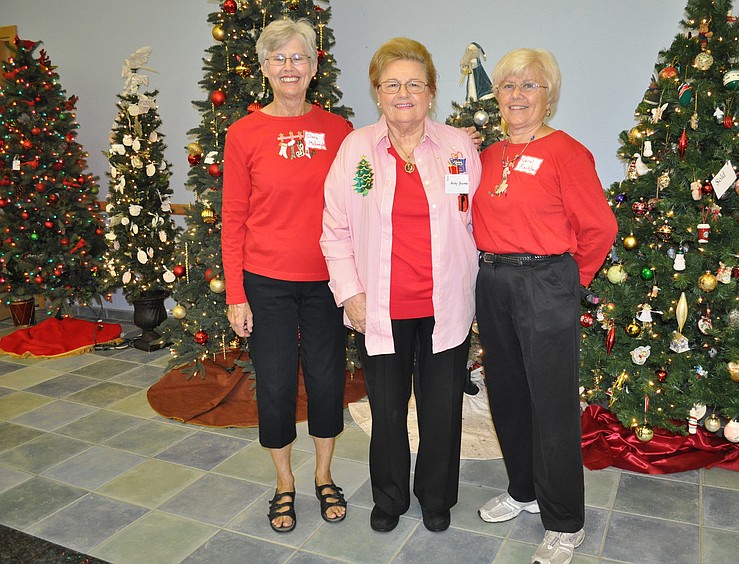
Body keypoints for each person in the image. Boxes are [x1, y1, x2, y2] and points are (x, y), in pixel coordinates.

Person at [321, 37, 481, 534]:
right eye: (392, 84)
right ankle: (389, 496)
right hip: (380, 307)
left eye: (414, 83)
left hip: (444, 304)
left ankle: (436, 498)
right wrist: (350, 294)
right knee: (387, 412)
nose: (403, 93)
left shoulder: (457, 146)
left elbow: (479, 221)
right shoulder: (356, 149)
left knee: (441, 411)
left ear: (431, 92)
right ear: (377, 93)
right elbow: (335, 227)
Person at [472, 48, 617, 564]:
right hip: (491, 280)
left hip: (545, 281)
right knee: (506, 392)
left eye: (529, 86)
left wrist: (566, 282)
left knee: (551, 402)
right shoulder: (488, 154)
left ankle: (565, 520)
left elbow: (600, 227)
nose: (516, 95)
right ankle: (522, 489)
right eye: (509, 86)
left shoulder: (566, 152)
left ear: (548, 95)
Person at [222, 18, 352, 533]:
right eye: (279, 58)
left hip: (327, 282)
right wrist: (237, 293)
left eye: (299, 57)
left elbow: (360, 200)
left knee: (326, 381)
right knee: (275, 386)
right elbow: (233, 219)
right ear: (264, 67)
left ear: (315, 65)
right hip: (266, 283)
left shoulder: (340, 131)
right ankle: (284, 482)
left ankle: (323, 474)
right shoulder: (244, 133)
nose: (290, 67)